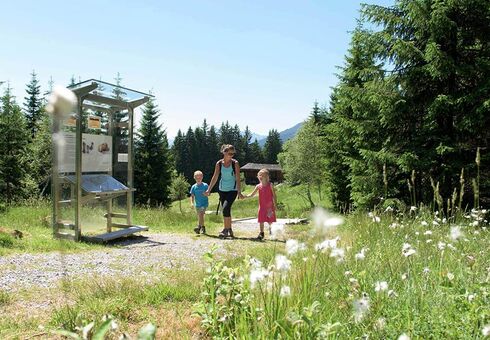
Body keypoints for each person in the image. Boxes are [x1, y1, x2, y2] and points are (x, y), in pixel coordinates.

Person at [205, 144, 243, 238]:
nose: (231, 156)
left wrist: (239, 191)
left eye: (233, 154)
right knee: (226, 210)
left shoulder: (235, 163)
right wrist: (209, 189)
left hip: (232, 190)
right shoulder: (219, 164)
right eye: (230, 153)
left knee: (225, 208)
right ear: (224, 152)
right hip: (222, 189)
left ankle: (225, 230)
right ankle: (229, 228)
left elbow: (238, 178)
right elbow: (215, 177)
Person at [244, 168, 277, 240]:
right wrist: (245, 196)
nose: (261, 177)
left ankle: (272, 231)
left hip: (269, 207)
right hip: (262, 207)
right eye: (259, 175)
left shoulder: (270, 185)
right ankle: (261, 233)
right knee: (261, 220)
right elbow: (252, 194)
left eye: (262, 175)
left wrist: (275, 205)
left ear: (267, 177)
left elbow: (274, 195)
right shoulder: (258, 186)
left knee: (270, 220)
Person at [190, 170, 209, 234]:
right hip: (197, 204)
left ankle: (198, 227)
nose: (198, 179)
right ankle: (203, 227)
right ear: (194, 178)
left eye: (200, 178)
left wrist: (206, 194)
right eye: (197, 178)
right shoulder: (193, 187)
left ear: (202, 177)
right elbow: (192, 196)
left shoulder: (205, 185)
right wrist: (192, 203)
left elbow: (209, 193)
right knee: (200, 216)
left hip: (204, 203)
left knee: (201, 214)